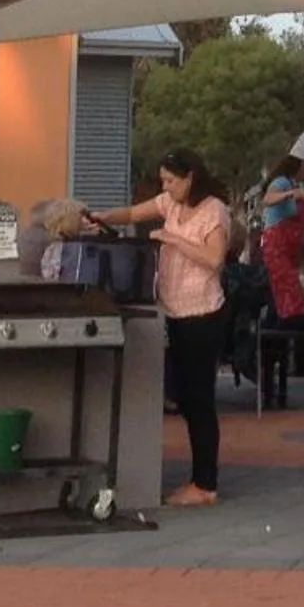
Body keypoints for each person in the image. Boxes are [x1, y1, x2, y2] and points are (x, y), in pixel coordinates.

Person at [97, 150, 233, 506]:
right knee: (182, 395)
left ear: (190, 178)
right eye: (163, 181)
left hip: (202, 313)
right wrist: (100, 217)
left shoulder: (214, 211)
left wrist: (174, 240)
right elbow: (132, 214)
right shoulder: (169, 204)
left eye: (171, 180)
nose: (166, 187)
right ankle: (200, 477)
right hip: (173, 311)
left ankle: (205, 483)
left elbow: (214, 258)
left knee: (199, 398)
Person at [256, 142, 304, 323]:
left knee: (287, 293)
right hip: (277, 248)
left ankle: (284, 328)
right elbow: (268, 199)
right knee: (288, 293)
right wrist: (289, 195)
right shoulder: (282, 182)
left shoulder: (294, 185)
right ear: (302, 164)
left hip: (291, 250)